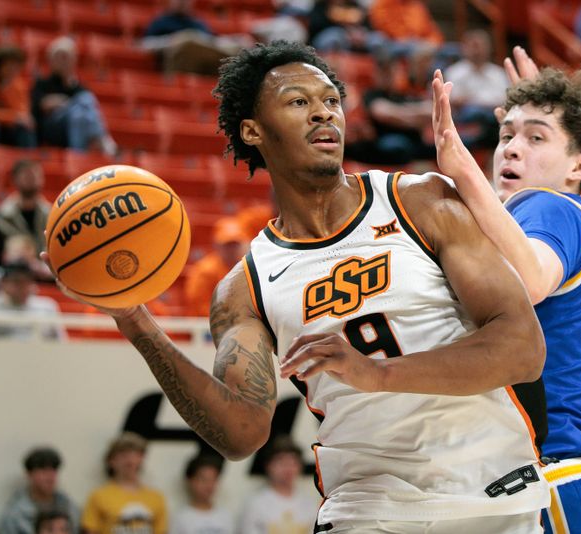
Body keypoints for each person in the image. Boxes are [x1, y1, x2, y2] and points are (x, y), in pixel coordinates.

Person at [44, 40, 548, 533]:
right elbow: (242, 433)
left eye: (332, 101)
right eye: (299, 102)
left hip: (493, 493)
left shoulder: (419, 201)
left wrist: (377, 375)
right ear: (253, 130)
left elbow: (521, 348)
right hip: (366, 508)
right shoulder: (244, 287)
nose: (323, 114)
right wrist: (136, 322)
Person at [430, 46, 581, 532]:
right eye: (505, 134)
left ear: (579, 166)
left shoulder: (545, 205)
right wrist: (552, 116)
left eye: (535, 138)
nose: (510, 148)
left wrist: (465, 174)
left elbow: (528, 281)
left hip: (556, 483)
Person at [30, 36, 117, 155]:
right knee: (85, 100)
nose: (63, 61)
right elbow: (41, 105)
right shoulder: (42, 83)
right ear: (51, 60)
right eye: (59, 57)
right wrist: (66, 103)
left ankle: (78, 154)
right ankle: (103, 141)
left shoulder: (78, 86)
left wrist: (62, 102)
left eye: (66, 57)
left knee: (80, 112)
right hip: (51, 130)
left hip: (75, 124)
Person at [81, 432, 168, 534]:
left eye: (135, 455)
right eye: (124, 455)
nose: (130, 461)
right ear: (111, 461)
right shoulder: (98, 496)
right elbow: (90, 530)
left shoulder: (156, 497)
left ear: (142, 459)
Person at [443, 29, 509, 149]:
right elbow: (455, 101)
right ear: (464, 48)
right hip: (465, 119)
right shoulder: (454, 72)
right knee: (474, 113)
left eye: (481, 46)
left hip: (494, 118)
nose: (477, 51)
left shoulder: (498, 73)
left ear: (489, 48)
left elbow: (504, 101)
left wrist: (472, 100)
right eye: (473, 46)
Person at [238, 436, 318, 534]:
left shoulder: (310, 505)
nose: (288, 468)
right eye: (281, 462)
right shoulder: (256, 504)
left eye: (293, 462)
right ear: (268, 466)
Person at [0, 447, 80, 534]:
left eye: (53, 470)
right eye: (43, 471)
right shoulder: (15, 514)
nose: (50, 477)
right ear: (29, 474)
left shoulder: (68, 505)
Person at [183, 217, 249, 317]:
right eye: (227, 245)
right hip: (207, 326)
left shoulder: (249, 268)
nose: (231, 249)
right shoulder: (205, 271)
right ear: (217, 245)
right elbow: (201, 308)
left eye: (235, 245)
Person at [0, 159, 51, 265]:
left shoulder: (52, 215)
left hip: (46, 274)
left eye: (35, 174)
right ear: (15, 179)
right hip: (12, 277)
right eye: (26, 175)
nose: (31, 178)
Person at [0, 261, 64, 341]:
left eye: (27, 281)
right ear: (3, 283)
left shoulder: (47, 307)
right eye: (17, 282)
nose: (23, 287)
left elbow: (60, 342)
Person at [170, 455, 233, 534]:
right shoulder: (180, 517)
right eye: (204, 480)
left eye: (213, 479)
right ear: (190, 481)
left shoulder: (225, 516)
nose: (209, 486)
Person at [0, 45, 36, 148]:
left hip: (8, 128)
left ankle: (26, 162)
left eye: (17, 66)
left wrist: (7, 89)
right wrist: (12, 117)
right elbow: (16, 116)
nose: (13, 69)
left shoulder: (18, 85)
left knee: (26, 129)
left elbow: (23, 114)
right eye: (9, 65)